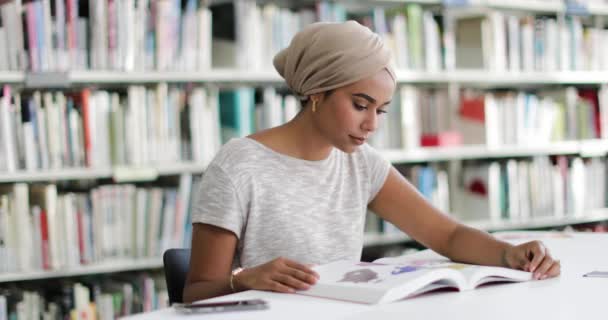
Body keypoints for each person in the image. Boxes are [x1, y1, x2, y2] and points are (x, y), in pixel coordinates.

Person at [183, 20, 560, 303]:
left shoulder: (361, 163)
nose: (371, 124)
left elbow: (446, 235)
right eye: (360, 105)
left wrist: (507, 253)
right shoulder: (239, 166)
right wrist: (244, 279)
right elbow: (196, 292)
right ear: (316, 92)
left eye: (381, 111)